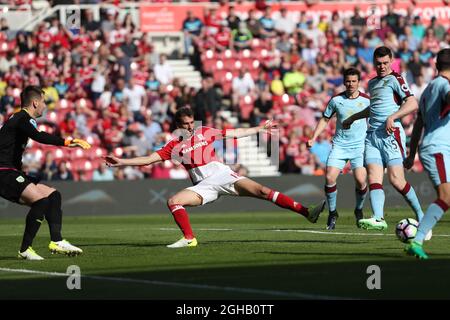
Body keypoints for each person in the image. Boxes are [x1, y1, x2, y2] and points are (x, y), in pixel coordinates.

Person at [105, 107, 325, 248]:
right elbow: (149, 159)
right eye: (186, 124)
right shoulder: (173, 145)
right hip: (203, 185)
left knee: (263, 192)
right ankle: (189, 239)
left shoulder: (206, 131)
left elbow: (234, 133)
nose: (191, 127)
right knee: (173, 201)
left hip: (221, 173)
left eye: (192, 122)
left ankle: (307, 212)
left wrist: (259, 128)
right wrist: (122, 162)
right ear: (177, 126)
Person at [0, 86, 91, 260]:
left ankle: (56, 241)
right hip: (3, 172)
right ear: (35, 102)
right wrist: (67, 142)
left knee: (53, 196)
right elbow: (39, 136)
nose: (45, 105)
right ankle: (25, 249)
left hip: (10, 171)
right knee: (40, 202)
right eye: (43, 101)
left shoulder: (20, 119)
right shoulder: (21, 118)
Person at [343, 46, 426, 233]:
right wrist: (352, 117)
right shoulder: (372, 83)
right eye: (378, 63)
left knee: (396, 180)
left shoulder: (396, 79)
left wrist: (393, 117)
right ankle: (379, 218)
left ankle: (421, 215)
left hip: (391, 134)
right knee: (374, 177)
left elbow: (412, 103)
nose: (381, 66)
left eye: (385, 63)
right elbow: (373, 108)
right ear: (374, 63)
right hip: (372, 136)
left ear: (391, 61)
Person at [308, 68, 370, 230]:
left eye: (354, 81)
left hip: (359, 146)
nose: (350, 84)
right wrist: (314, 137)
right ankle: (333, 213)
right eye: (348, 81)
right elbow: (325, 119)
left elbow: (376, 119)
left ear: (358, 82)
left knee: (361, 181)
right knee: (329, 178)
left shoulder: (366, 100)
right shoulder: (336, 100)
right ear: (344, 82)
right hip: (340, 145)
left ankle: (358, 209)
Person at [403, 48, 450, 259]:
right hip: (438, 148)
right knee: (446, 197)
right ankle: (418, 240)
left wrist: (412, 153)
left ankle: (417, 240)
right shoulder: (443, 86)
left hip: (433, 146)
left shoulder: (429, 89)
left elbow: (419, 123)